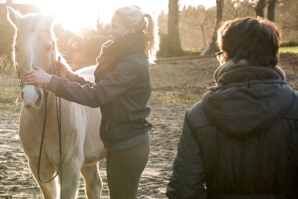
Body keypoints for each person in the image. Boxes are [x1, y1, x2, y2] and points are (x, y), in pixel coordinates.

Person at [24, 5, 159, 199]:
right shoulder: (124, 58)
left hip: (129, 146)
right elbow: (103, 90)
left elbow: (96, 96)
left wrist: (51, 81)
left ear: (130, 30)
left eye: (114, 26)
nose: (109, 30)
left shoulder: (132, 64)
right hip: (120, 142)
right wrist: (71, 76)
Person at [166, 17, 298, 198]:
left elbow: (184, 191)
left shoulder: (199, 114)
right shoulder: (295, 108)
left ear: (226, 56)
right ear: (273, 55)